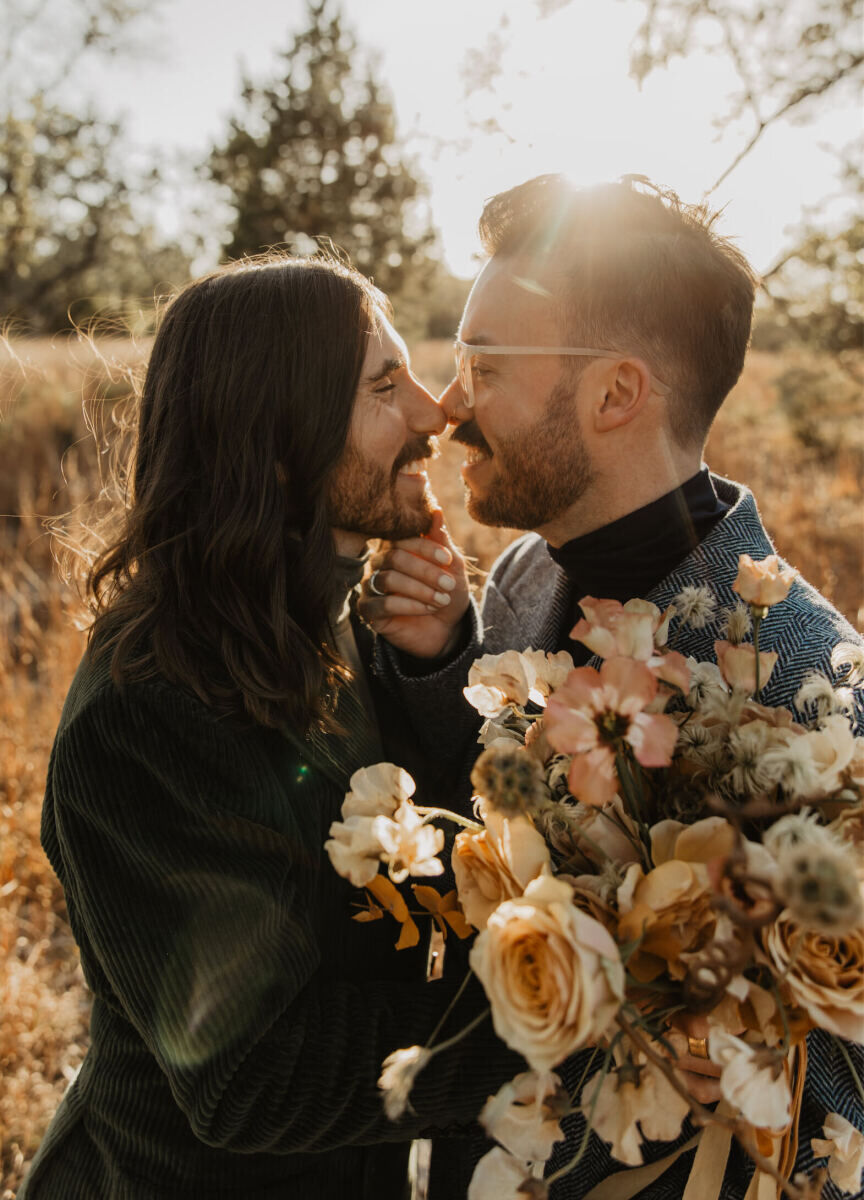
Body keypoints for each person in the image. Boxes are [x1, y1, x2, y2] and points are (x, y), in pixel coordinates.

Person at [360, 175, 864, 1198]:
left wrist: (748, 1063)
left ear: (616, 393)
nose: (448, 406)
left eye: (483, 365)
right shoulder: (523, 573)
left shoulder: (814, 691)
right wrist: (436, 666)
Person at [19, 254, 521, 1200]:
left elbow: (419, 881)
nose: (433, 412)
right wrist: (556, 1024)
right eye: (384, 386)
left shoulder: (332, 615)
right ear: (280, 440)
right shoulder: (148, 717)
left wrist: (430, 668)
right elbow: (252, 1077)